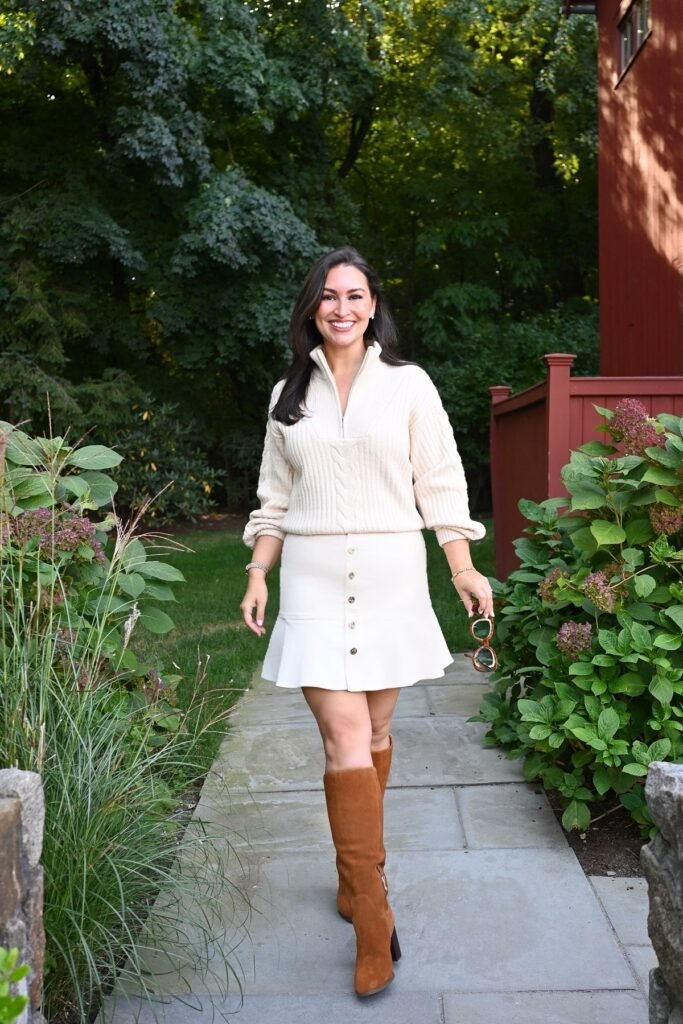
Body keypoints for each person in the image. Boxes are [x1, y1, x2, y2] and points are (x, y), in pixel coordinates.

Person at [240, 246, 493, 998]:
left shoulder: (409, 386)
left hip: (390, 580)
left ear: (372, 304)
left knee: (377, 735)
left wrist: (462, 569)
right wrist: (258, 571)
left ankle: (354, 880)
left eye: (354, 295)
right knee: (343, 737)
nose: (341, 307)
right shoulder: (288, 392)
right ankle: (372, 919)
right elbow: (272, 496)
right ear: (311, 307)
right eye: (328, 295)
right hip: (314, 581)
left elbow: (439, 483)